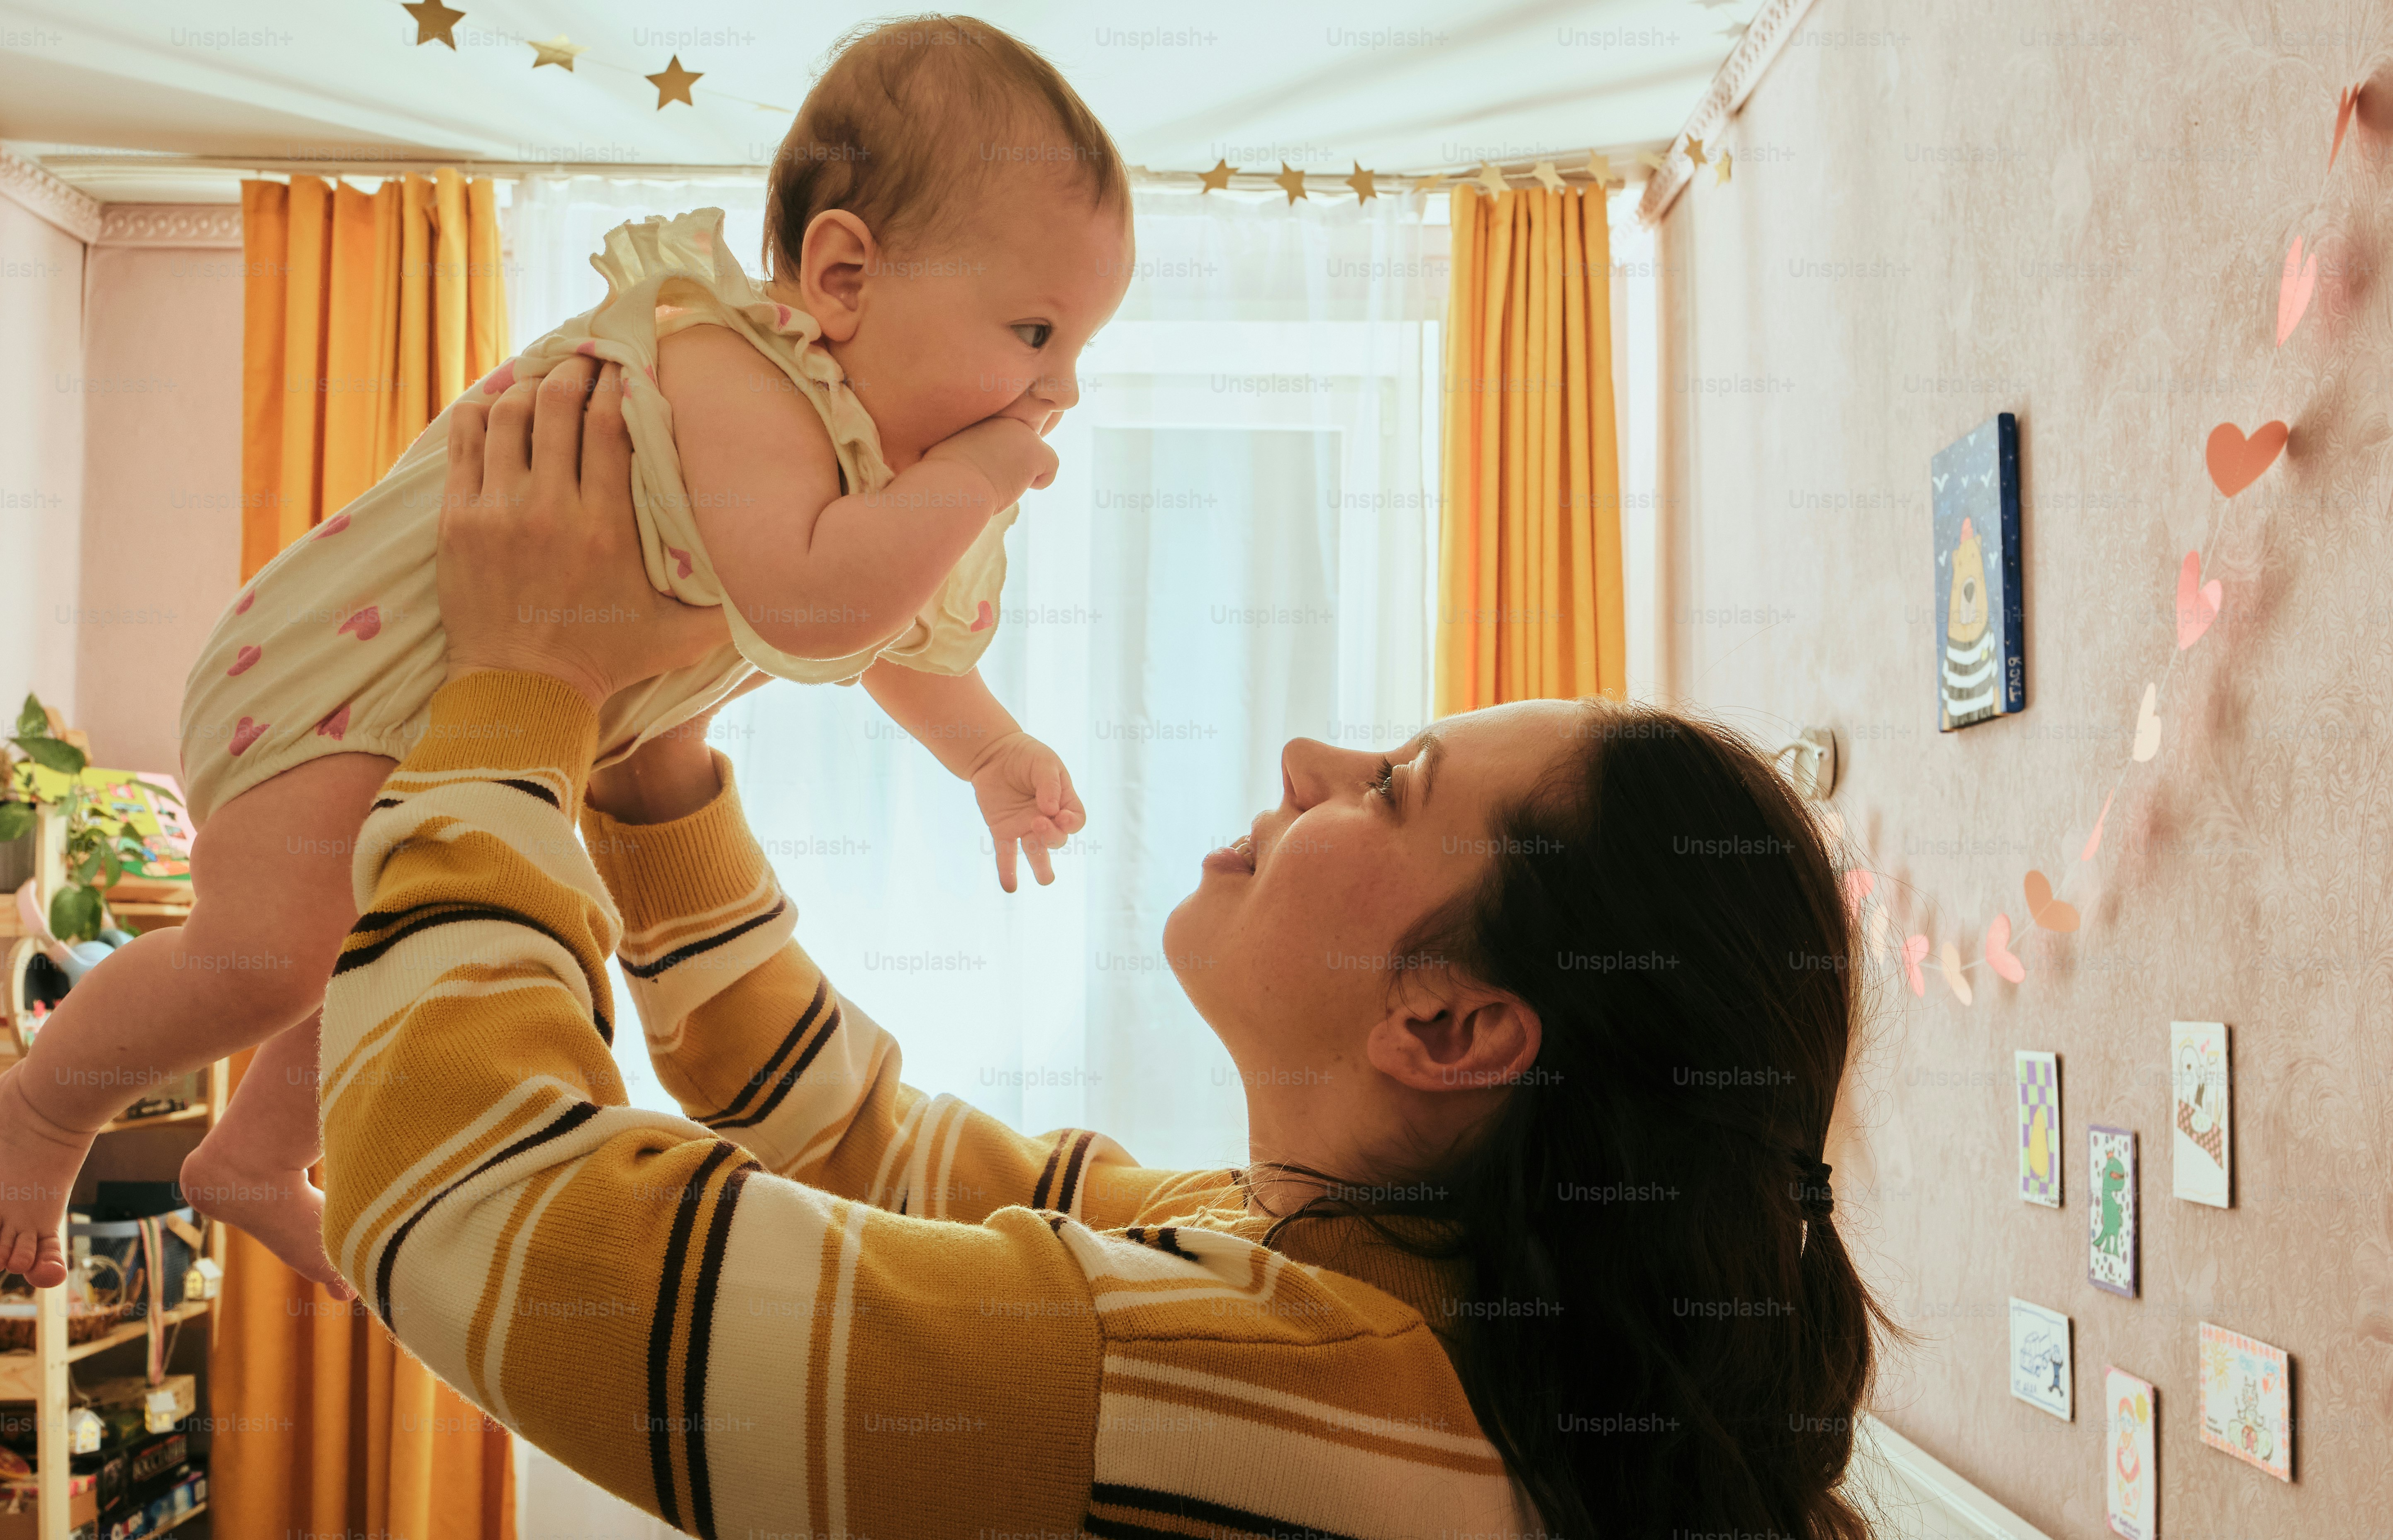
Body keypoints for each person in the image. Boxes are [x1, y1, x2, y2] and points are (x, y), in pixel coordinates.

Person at [320, 354, 1894, 1539]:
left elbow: (470, 1206)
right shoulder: (1334, 1269)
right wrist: (644, 775)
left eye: (1392, 787)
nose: (1305, 760)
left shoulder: (1236, 1387)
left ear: (1450, 1027)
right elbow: (849, 1133)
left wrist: (520, 691)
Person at [0, 15, 1125, 1291]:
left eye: (1079, 349)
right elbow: (814, 609)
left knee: (380, 935)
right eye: (1034, 335)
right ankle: (44, 1109)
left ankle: (254, 1156)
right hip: (346, 680)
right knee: (273, 951)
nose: (1059, 390)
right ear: (842, 277)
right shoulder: (738, 366)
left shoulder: (864, 477)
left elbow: (893, 636)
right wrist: (988, 467)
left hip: (474, 716)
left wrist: (992, 752)